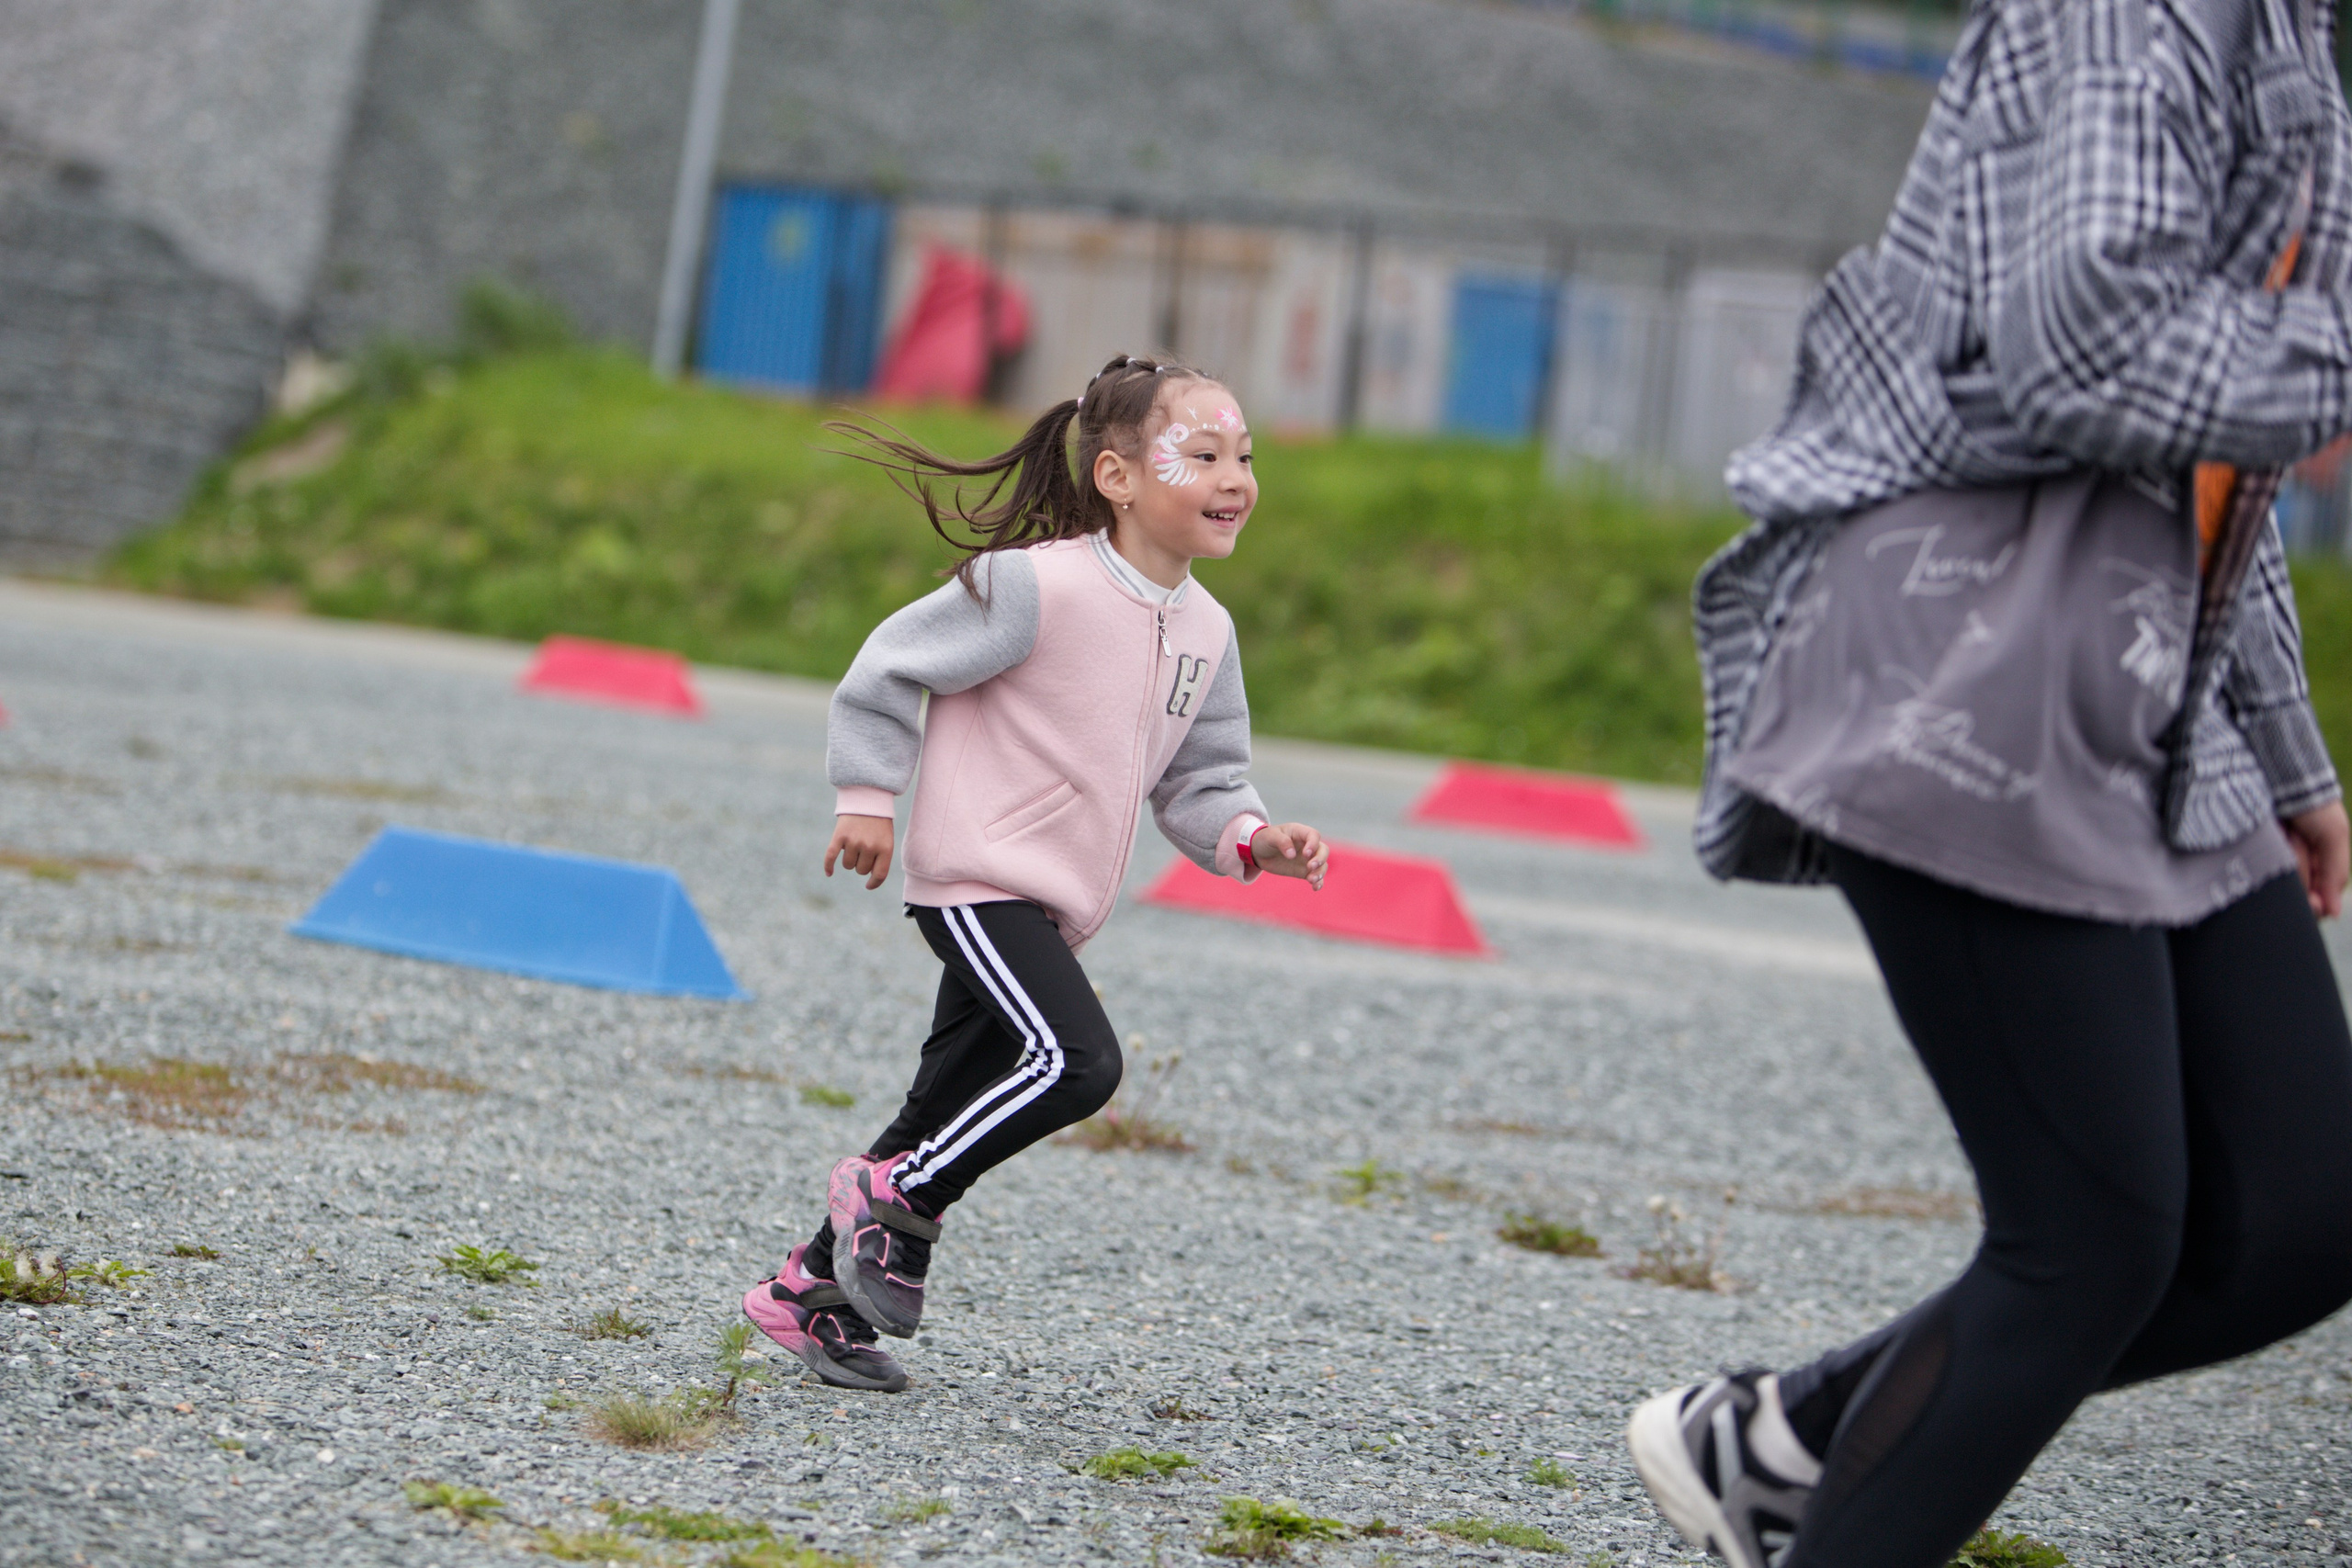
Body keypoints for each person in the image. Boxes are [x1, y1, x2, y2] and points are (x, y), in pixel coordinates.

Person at [1626, 2, 2352, 1564]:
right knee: (2091, 1242)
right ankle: (1810, 1467)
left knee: (2305, 1213)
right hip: (1972, 661)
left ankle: (1787, 1434)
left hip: (2158, 680)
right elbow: (2083, 340)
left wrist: (2285, 741)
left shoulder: (2283, 31)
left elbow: (2208, 459)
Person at [741, 353, 1329, 1392]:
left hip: (1053, 906)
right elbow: (889, 666)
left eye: (1244, 457)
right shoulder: (1034, 585)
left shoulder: (1207, 630)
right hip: (979, 877)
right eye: (1202, 456)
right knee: (1078, 1062)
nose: (1235, 479)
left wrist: (1250, 838)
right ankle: (900, 1200)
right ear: (1118, 477)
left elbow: (1201, 778)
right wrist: (867, 795)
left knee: (936, 1107)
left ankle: (803, 1295)